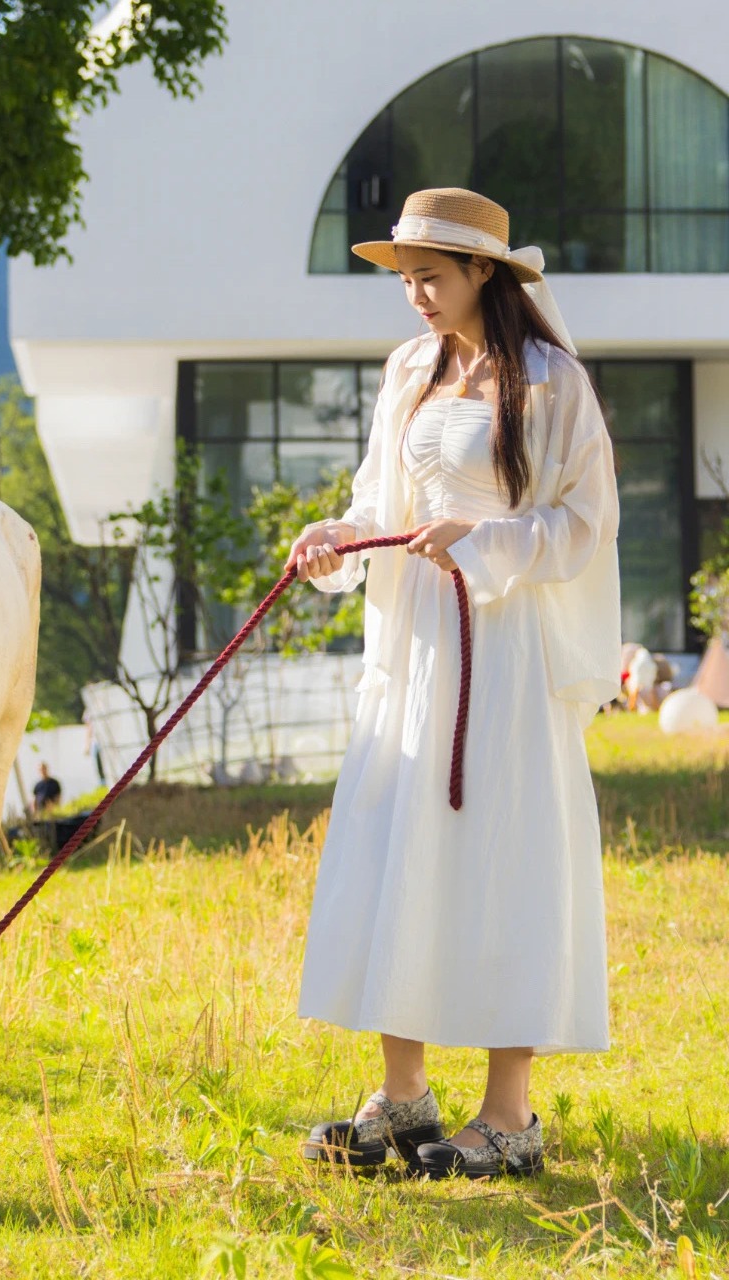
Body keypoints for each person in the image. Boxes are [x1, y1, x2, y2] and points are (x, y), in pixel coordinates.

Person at [285, 188, 621, 1180]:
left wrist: (485, 540)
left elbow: (585, 523)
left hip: (504, 646)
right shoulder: (407, 370)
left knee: (499, 853)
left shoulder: (550, 381)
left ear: (485, 271)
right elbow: (376, 500)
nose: (414, 295)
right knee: (402, 846)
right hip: (417, 644)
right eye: (403, 278)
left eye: (429, 275)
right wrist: (336, 540)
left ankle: (506, 1112)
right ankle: (401, 1094)